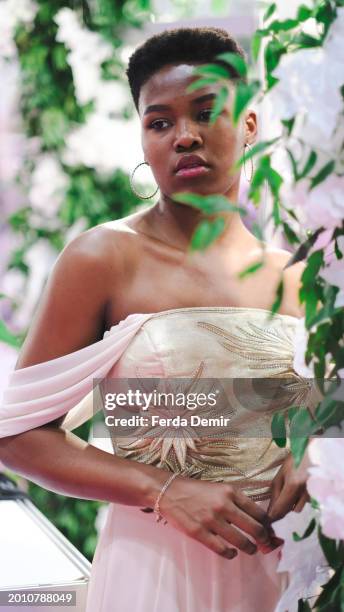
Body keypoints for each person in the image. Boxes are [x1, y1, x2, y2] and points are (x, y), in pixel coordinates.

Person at [0, 27, 314, 612]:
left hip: (286, 576)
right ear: (142, 138)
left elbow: (324, 417)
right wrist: (165, 490)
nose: (185, 136)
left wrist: (316, 451)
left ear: (249, 123)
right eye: (160, 122)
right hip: (157, 573)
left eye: (205, 112)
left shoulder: (295, 275)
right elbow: (16, 435)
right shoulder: (104, 258)